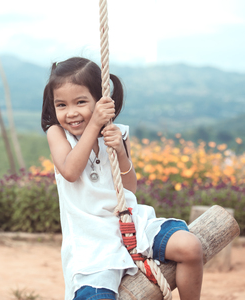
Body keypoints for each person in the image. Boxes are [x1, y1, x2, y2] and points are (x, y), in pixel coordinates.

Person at [41, 57, 203, 300]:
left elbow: (129, 188)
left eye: (81, 102)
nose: (71, 113)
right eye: (61, 105)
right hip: (92, 243)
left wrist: (120, 153)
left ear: (101, 101)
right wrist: (94, 125)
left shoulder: (117, 132)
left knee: (190, 248)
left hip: (131, 225)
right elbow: (70, 171)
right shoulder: (57, 134)